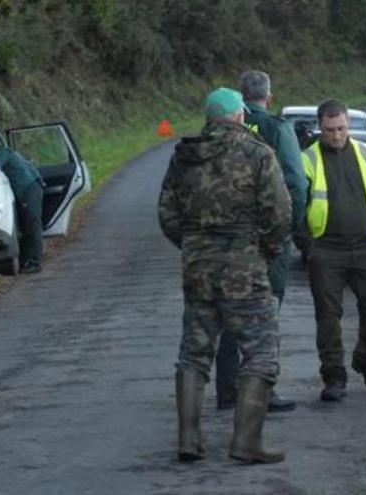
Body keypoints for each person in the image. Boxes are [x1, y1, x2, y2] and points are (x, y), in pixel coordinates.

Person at [158, 87, 290, 464]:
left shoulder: (183, 156)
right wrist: (267, 248)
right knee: (261, 352)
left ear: (209, 117)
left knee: (194, 352)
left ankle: (188, 439)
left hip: (198, 268)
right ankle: (246, 442)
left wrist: (193, 246)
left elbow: (166, 215)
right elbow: (279, 213)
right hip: (245, 266)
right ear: (239, 117)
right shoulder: (257, 153)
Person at [213, 70, 307, 414]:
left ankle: (227, 390)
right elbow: (296, 183)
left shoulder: (218, 132)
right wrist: (292, 229)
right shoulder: (277, 129)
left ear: (241, 98)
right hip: (268, 238)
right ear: (268, 97)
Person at [301, 99, 366, 402]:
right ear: (320, 127)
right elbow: (297, 208)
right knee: (328, 315)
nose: (336, 135)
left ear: (348, 126)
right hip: (327, 249)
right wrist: (308, 247)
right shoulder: (308, 160)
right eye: (329, 130)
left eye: (341, 128)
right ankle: (334, 377)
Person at [0, 146, 45, 274]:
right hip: (32, 185)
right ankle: (27, 260)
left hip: (27, 189)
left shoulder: (1, 154)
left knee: (32, 225)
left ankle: (34, 262)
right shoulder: (6, 151)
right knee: (29, 225)